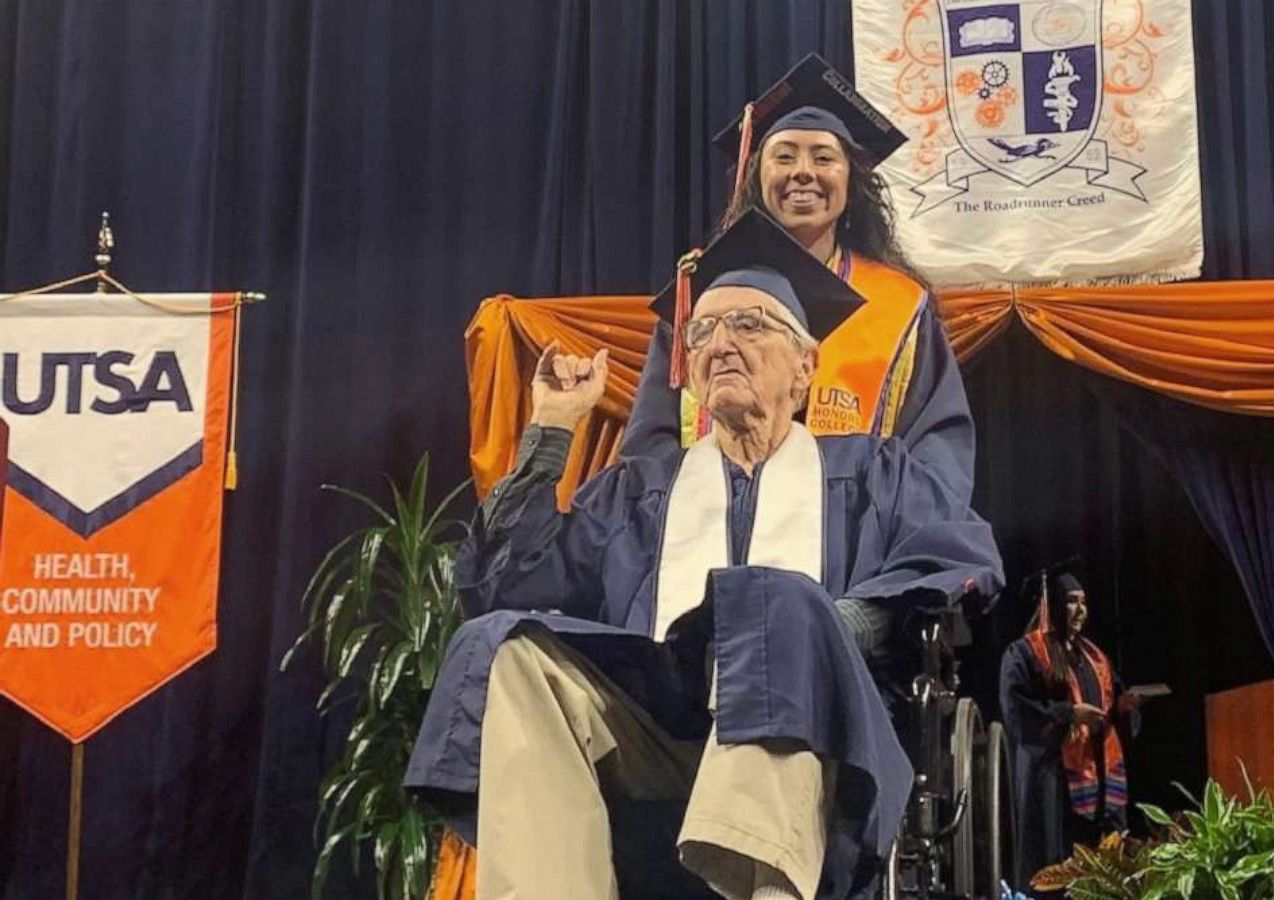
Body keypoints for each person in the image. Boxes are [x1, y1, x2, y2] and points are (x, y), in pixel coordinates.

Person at [405, 209, 1003, 900]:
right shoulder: (643, 486)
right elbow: (508, 583)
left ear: (805, 367)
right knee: (510, 652)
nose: (721, 343)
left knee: (778, 604)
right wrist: (553, 430)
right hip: (660, 728)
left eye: (749, 325)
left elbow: (954, 558)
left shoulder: (873, 471)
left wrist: (838, 625)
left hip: (825, 732)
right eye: (702, 331)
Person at [622, 54, 975, 502]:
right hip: (709, 529)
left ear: (852, 182)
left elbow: (937, 453)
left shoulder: (900, 304)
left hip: (851, 547)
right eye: (783, 156)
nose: (803, 171)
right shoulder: (701, 288)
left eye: (824, 157)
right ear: (757, 175)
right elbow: (651, 442)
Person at [999, 565, 1142, 879]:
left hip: (1099, 774)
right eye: (1072, 602)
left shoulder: (1094, 657)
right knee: (1057, 866)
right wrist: (1068, 714)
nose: (1081, 611)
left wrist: (1123, 707)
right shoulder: (1026, 653)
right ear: (1053, 605)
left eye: (1084, 602)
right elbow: (1016, 710)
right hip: (1053, 778)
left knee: (1102, 867)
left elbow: (1110, 707)